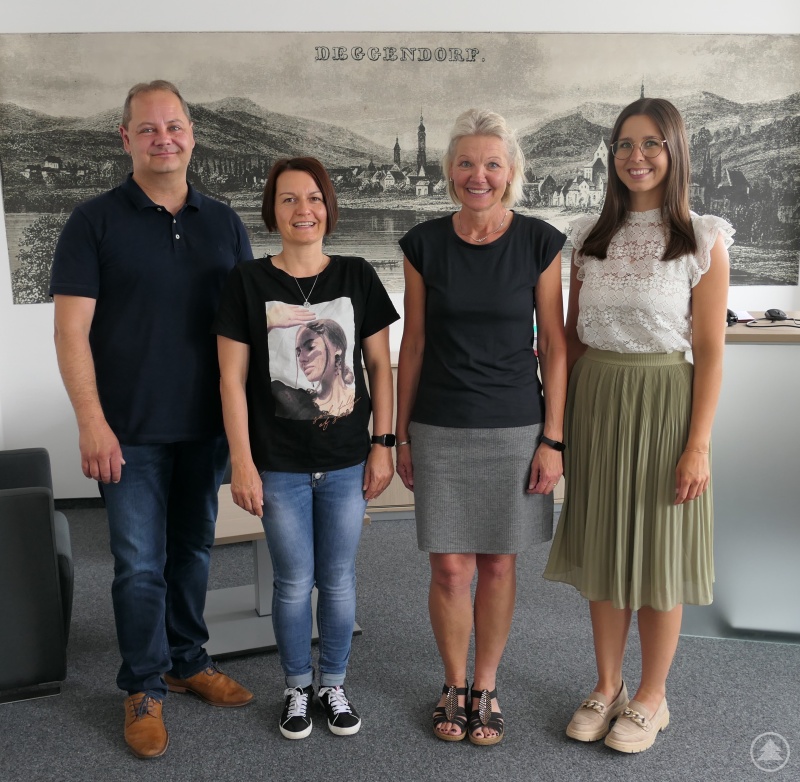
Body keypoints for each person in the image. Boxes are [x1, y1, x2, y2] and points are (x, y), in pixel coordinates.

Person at [49, 80, 254, 760]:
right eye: (148, 128)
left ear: (192, 134)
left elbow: (248, 329)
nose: (163, 137)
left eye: (175, 126)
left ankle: (186, 661)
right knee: (138, 565)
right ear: (126, 138)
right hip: (127, 430)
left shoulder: (224, 222)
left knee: (193, 551)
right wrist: (91, 423)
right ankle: (141, 685)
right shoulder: (92, 222)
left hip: (204, 428)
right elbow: (71, 333)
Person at [543, 97, 732, 754]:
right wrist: (558, 431)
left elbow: (709, 352)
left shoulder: (700, 239)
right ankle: (607, 685)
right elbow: (568, 341)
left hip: (664, 404)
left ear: (674, 151)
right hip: (597, 400)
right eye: (624, 143)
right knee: (602, 547)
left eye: (652, 143)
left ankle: (653, 696)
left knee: (657, 554)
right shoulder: (588, 238)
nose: (636, 155)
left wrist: (698, 445)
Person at [396, 108, 567, 745]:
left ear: (511, 173)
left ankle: (487, 684)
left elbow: (553, 342)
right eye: (466, 163)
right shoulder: (422, 244)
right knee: (449, 570)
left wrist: (553, 438)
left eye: (492, 163)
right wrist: (401, 436)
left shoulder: (539, 242)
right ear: (450, 173)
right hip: (439, 424)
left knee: (497, 565)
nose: (479, 175)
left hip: (516, 426)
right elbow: (412, 345)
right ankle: (453, 683)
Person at [213, 157, 399, 740]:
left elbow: (379, 368)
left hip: (346, 461)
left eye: (314, 198)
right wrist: (241, 462)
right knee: (294, 582)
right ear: (273, 210)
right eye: (289, 199)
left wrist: (383, 445)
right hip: (279, 467)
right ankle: (297, 687)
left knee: (339, 579)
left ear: (329, 207)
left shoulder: (357, 274)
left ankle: (333, 683)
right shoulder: (247, 282)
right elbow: (230, 381)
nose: (303, 210)